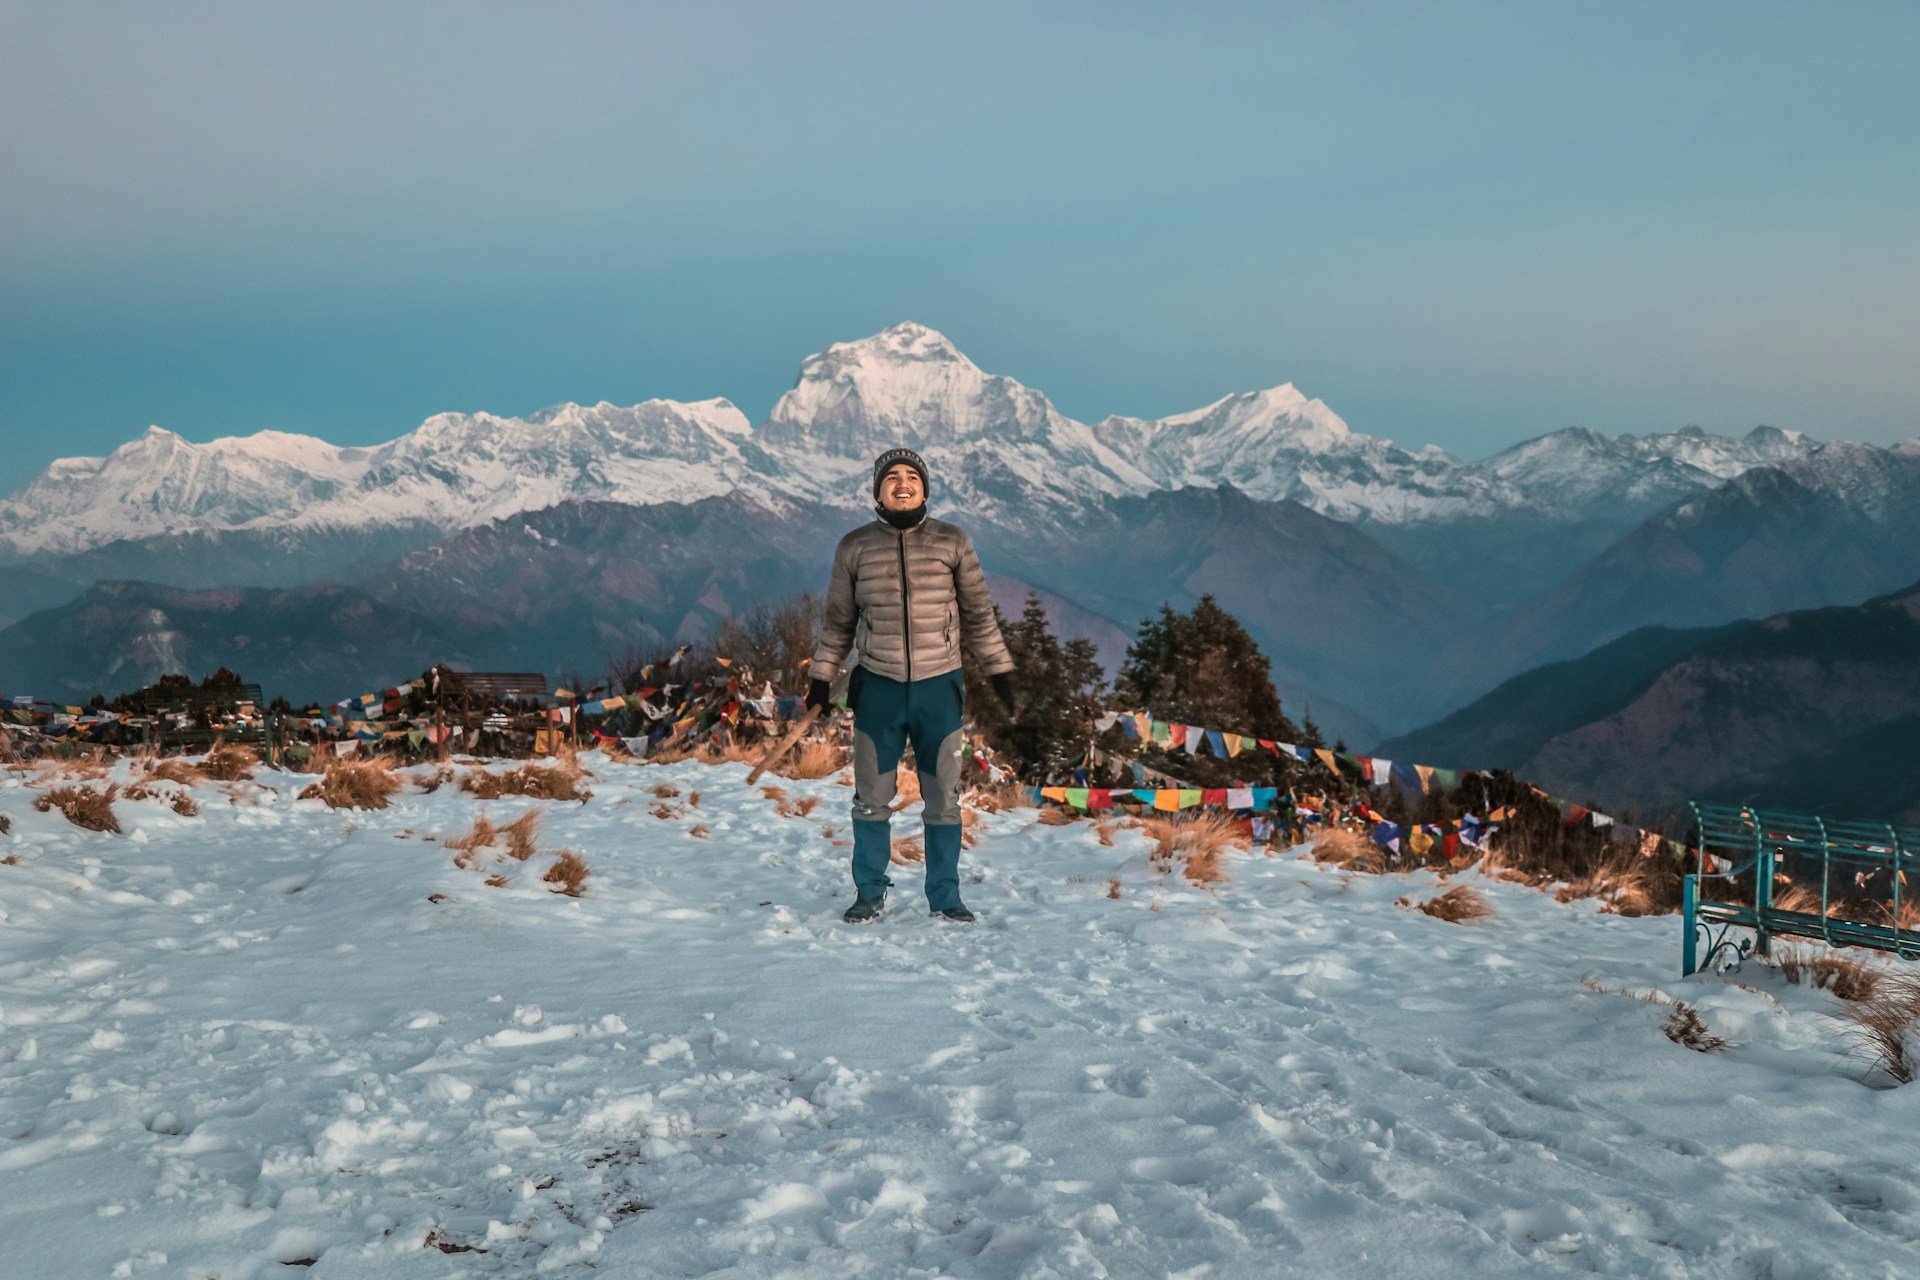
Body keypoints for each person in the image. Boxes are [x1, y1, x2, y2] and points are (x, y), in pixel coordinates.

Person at [807, 448, 1016, 924]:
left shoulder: (953, 542)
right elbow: (839, 622)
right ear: (877, 490)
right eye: (891, 478)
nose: (902, 484)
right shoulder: (854, 546)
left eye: (912, 477)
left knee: (942, 799)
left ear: (925, 487)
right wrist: (820, 679)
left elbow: (980, 616)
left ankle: (945, 897)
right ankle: (869, 892)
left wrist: (1000, 671)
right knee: (870, 798)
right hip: (876, 688)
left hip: (939, 686)